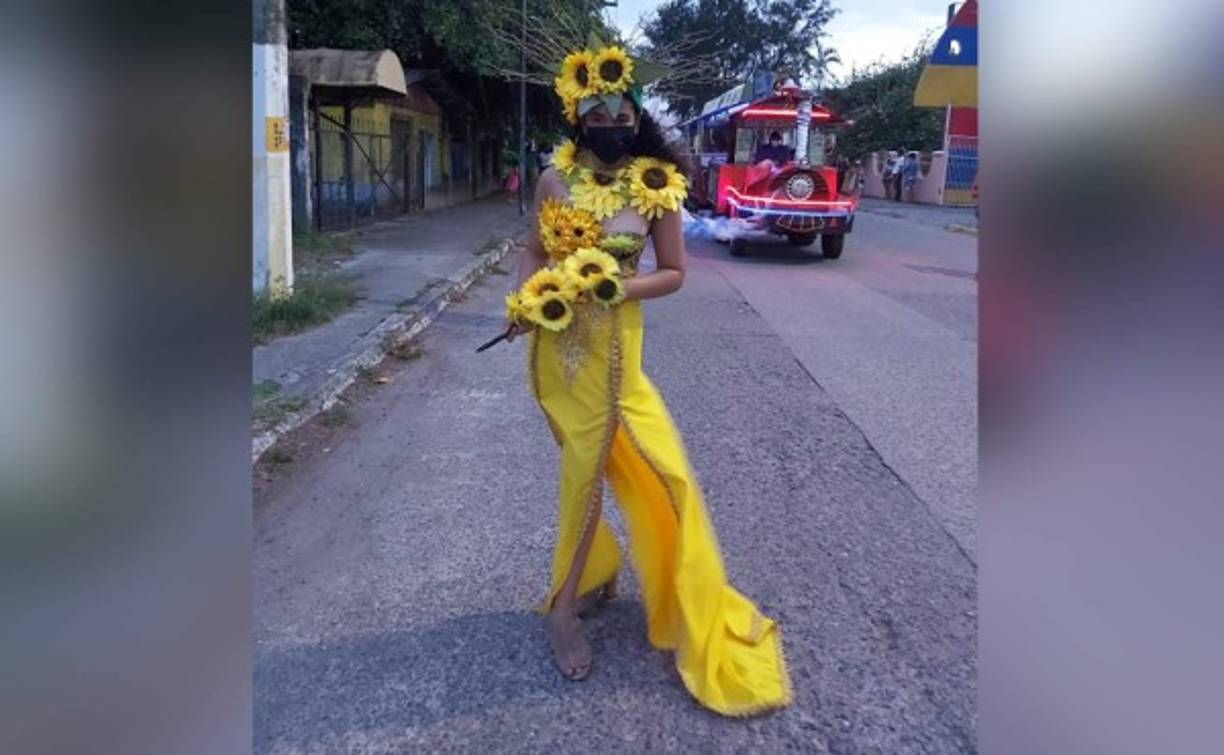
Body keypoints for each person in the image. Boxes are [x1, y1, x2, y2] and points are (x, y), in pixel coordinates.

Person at [504, 41, 791, 717]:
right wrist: (520, 303)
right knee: (583, 476)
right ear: (578, 115)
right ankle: (564, 611)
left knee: (667, 473)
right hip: (563, 354)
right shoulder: (553, 181)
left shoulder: (657, 186)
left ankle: (625, 581)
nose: (610, 120)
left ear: (634, 114)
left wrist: (618, 287)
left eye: (620, 110)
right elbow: (531, 251)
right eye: (596, 110)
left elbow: (675, 274)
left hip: (621, 364)